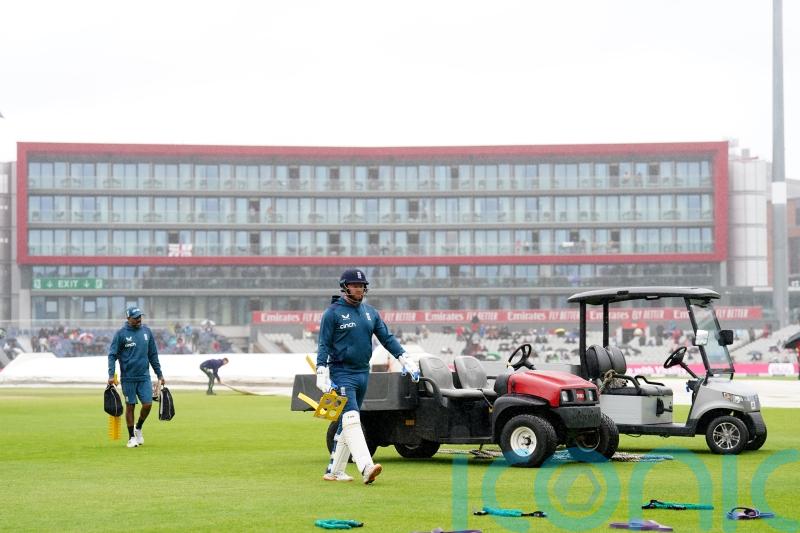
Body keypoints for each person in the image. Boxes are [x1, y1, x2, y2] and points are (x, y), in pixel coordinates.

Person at [316, 268, 419, 484]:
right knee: (352, 418)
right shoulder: (332, 313)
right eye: (354, 285)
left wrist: (404, 357)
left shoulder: (370, 312)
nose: (359, 289)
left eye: (362, 286)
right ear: (345, 287)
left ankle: (334, 471)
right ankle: (366, 467)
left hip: (363, 372)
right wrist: (321, 370)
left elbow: (387, 338)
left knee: (347, 423)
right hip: (342, 373)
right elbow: (324, 344)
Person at [107, 306, 165, 449]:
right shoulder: (121, 334)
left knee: (148, 404)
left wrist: (160, 374)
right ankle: (131, 438)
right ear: (128, 318)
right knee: (130, 406)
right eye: (136, 317)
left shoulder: (147, 332)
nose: (139, 319)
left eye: (140, 317)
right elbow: (112, 355)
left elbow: (153, 355)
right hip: (128, 378)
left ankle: (138, 428)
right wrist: (110, 375)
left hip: (144, 377)